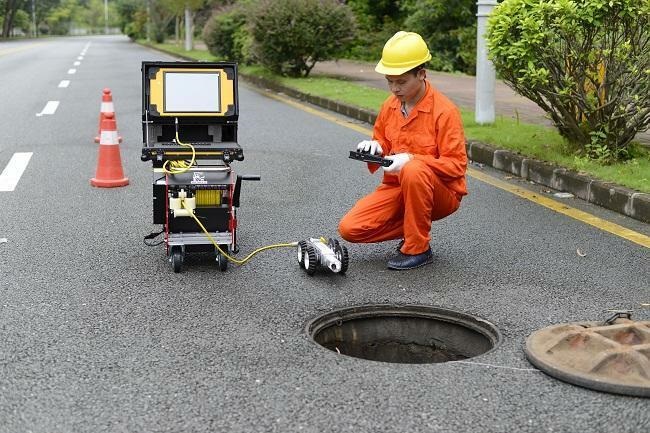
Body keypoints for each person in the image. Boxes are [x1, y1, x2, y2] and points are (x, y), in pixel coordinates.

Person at [338, 31, 468, 270]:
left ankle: (418, 247)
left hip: (441, 194)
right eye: (389, 81)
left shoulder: (445, 111)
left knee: (414, 169)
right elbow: (384, 143)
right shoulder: (390, 105)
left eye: (401, 82)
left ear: (421, 74)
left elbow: (456, 166)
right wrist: (375, 148)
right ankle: (413, 226)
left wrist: (411, 159)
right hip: (397, 187)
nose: (394, 89)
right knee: (350, 228)